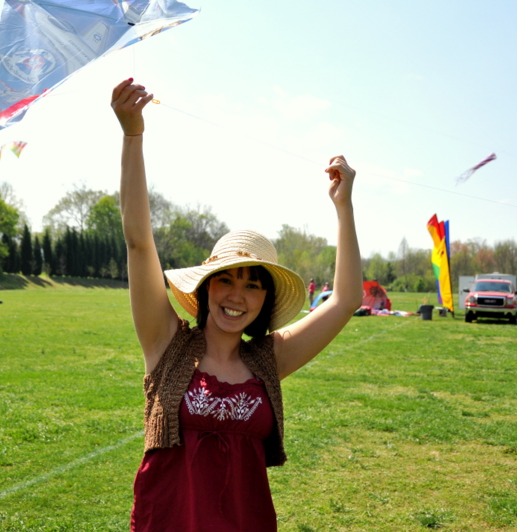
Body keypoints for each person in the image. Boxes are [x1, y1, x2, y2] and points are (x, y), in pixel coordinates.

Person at [112, 78, 363, 532]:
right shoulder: (166, 345)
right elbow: (138, 243)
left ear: (265, 300)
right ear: (206, 288)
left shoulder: (269, 359)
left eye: (252, 286)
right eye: (225, 280)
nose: (236, 296)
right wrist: (133, 136)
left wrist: (343, 207)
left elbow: (346, 300)